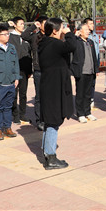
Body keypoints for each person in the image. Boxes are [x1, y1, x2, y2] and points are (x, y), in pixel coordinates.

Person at [38, 18, 77, 169]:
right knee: (53, 121)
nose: (63, 31)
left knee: (50, 121)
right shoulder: (54, 44)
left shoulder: (45, 43)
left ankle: (47, 153)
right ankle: (51, 158)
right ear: (55, 31)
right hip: (54, 88)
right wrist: (69, 34)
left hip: (50, 86)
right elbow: (72, 46)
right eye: (61, 28)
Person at [22, 15, 49, 130]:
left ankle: (48, 118)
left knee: (49, 96)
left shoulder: (51, 36)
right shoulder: (35, 37)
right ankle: (40, 120)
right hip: (39, 70)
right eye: (45, 23)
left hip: (50, 70)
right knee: (39, 97)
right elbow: (24, 35)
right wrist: (33, 26)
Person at [70, 23, 99, 123]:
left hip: (91, 71)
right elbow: (69, 45)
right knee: (80, 94)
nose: (88, 31)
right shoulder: (76, 42)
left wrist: (96, 69)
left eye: (88, 30)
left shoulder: (90, 42)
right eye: (86, 29)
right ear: (80, 31)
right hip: (81, 71)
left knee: (88, 94)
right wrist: (75, 36)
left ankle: (88, 112)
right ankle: (80, 114)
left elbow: (94, 56)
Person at [9, 17, 32, 124]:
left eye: (23, 24)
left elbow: (29, 54)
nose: (23, 26)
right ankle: (15, 115)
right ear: (14, 25)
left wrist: (30, 70)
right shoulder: (10, 37)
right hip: (14, 70)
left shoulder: (26, 37)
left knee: (23, 93)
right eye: (21, 24)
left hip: (24, 69)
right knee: (14, 94)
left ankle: (22, 114)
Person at [82, 18, 100, 109]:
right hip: (86, 64)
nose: (92, 25)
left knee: (93, 83)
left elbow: (97, 51)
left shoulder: (95, 36)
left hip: (94, 62)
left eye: (93, 23)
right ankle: (85, 102)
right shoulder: (83, 37)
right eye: (90, 24)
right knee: (85, 84)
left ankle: (91, 99)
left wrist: (97, 65)